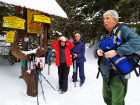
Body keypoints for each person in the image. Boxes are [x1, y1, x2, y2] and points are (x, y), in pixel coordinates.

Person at [94, 10, 140, 105]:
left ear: (115, 20)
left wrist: (116, 51)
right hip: (105, 73)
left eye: (107, 18)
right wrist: (97, 52)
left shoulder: (123, 30)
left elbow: (137, 41)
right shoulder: (104, 35)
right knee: (107, 98)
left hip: (119, 74)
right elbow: (97, 48)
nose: (105, 21)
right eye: (104, 19)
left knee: (117, 102)